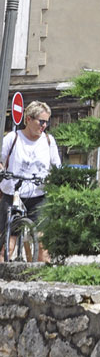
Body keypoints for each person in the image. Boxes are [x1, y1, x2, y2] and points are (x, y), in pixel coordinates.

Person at [0, 100, 61, 261]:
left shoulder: (48, 141)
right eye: (41, 121)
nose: (44, 125)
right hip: (14, 195)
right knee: (8, 245)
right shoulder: (12, 138)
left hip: (38, 196)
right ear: (28, 120)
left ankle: (43, 282)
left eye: (47, 122)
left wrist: (54, 180)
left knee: (42, 244)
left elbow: (57, 167)